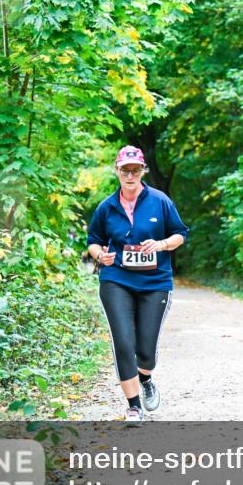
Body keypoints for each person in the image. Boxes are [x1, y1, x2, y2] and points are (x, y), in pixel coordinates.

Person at [86, 146, 189, 421]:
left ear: (143, 171)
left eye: (135, 170)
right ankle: (133, 405)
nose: (130, 176)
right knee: (123, 341)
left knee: (146, 352)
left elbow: (180, 234)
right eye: (125, 170)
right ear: (117, 171)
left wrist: (161, 244)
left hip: (155, 282)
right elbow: (93, 241)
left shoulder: (160, 201)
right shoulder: (106, 207)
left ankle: (146, 378)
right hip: (116, 279)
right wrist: (100, 256)